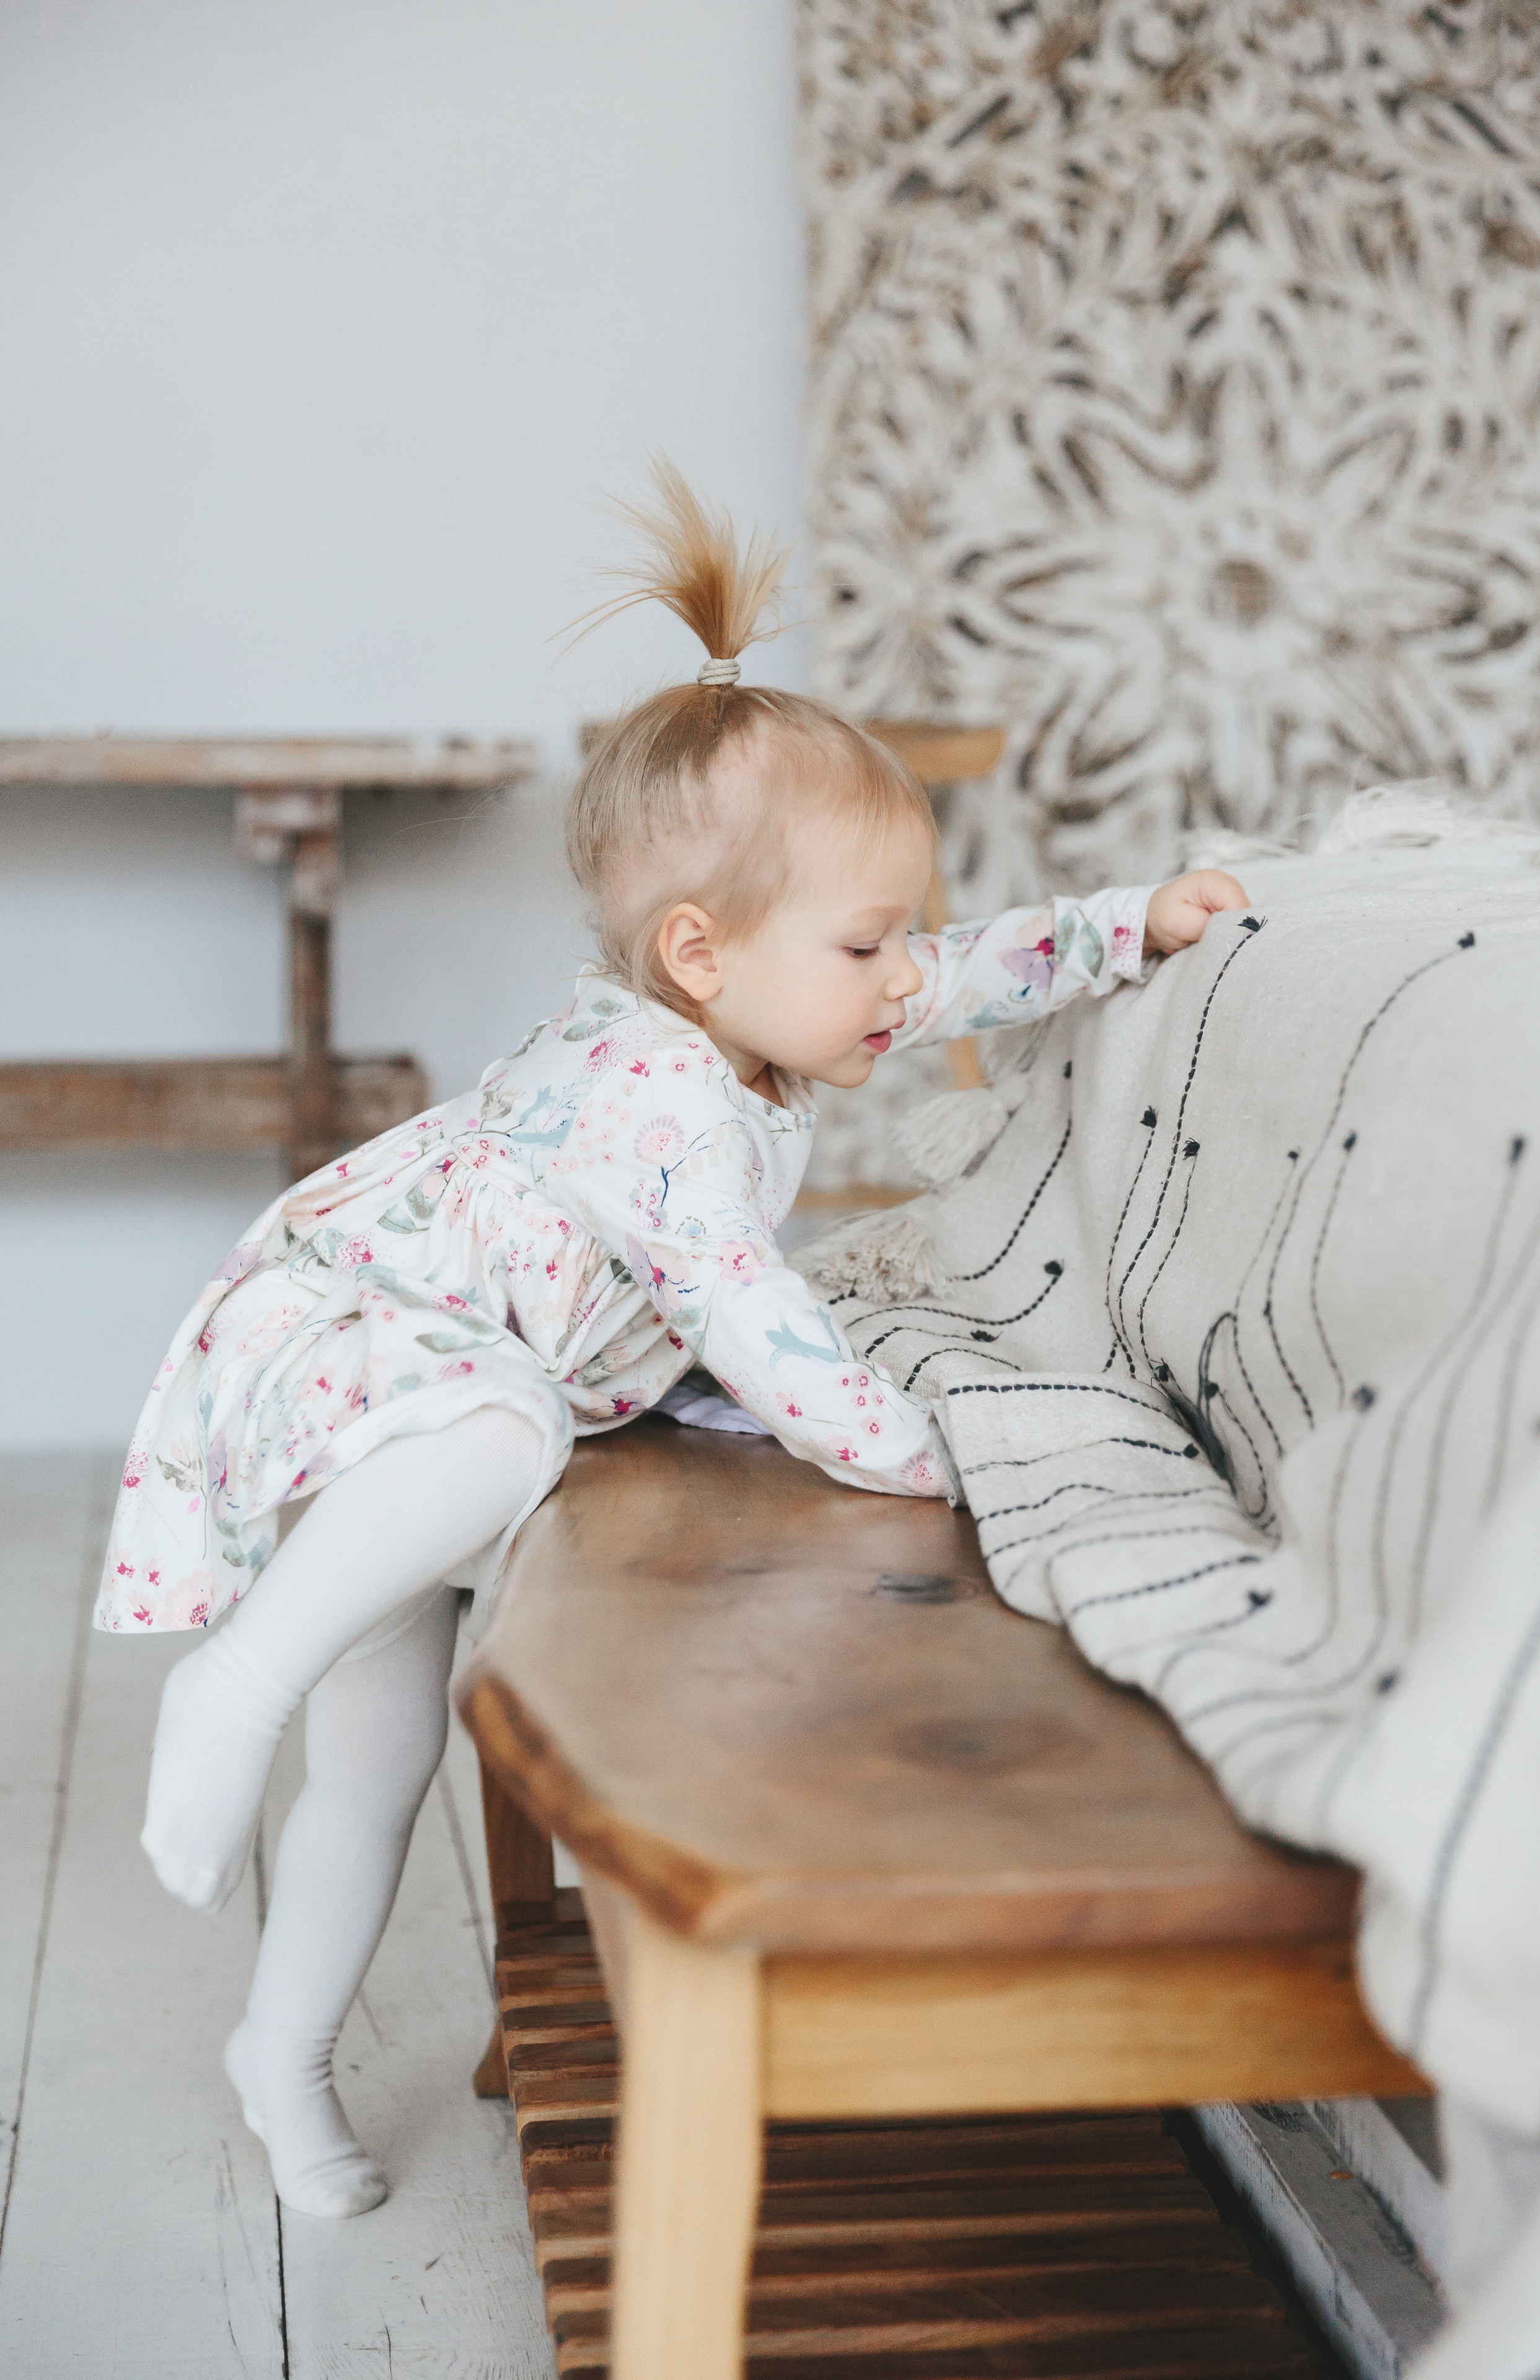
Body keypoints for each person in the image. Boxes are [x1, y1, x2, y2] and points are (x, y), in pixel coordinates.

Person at [97, 462, 1247, 2218]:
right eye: (868, 943)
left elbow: (974, 971)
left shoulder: (790, 1010)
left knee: (384, 1759)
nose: (898, 978)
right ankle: (231, 1682)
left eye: (894, 941)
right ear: (699, 954)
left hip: (424, 1389)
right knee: (507, 1447)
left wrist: (1126, 928)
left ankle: (283, 2051)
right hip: (364, 1344)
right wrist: (906, 1447)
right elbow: (754, 1314)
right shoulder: (659, 1098)